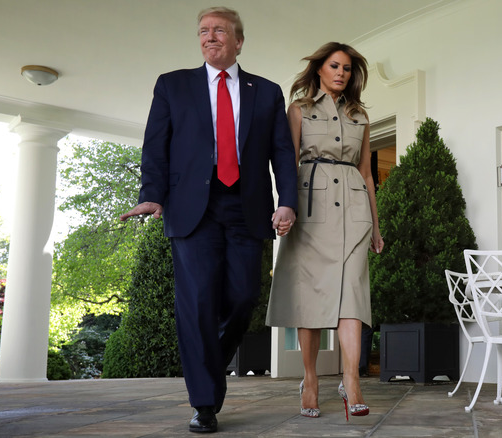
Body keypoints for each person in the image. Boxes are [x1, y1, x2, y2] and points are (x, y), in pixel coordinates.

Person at [120, 6, 297, 434]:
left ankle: (207, 367)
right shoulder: (173, 85)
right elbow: (155, 146)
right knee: (197, 305)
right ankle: (205, 403)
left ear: (238, 41)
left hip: (246, 206)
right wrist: (152, 196)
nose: (209, 37)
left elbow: (282, 154)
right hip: (191, 209)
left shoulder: (267, 91)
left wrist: (287, 201)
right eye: (203, 31)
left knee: (243, 298)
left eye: (219, 30)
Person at [265, 42, 384, 421]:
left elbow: (366, 173)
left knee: (352, 297)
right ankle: (311, 379)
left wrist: (376, 226)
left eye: (347, 68)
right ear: (320, 69)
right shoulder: (299, 109)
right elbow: (286, 163)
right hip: (310, 212)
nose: (341, 73)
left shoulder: (359, 115)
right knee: (310, 300)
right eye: (335, 66)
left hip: (354, 212)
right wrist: (285, 207)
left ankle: (352, 382)